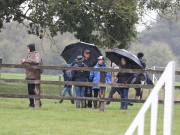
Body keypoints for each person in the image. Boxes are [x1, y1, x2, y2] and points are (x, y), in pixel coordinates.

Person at [21, 43, 42, 108]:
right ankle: (31, 104)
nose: (27, 49)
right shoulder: (28, 54)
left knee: (31, 89)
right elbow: (25, 62)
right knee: (29, 90)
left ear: (31, 48)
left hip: (35, 74)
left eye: (28, 48)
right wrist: (23, 61)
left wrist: (26, 60)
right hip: (29, 75)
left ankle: (36, 101)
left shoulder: (36, 54)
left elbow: (37, 61)